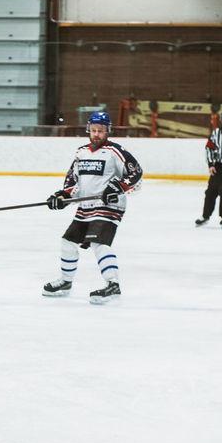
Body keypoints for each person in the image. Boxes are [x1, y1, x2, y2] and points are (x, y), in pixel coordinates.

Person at [42, 111, 143, 304]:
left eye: (101, 131)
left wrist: (118, 187)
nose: (97, 134)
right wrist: (62, 196)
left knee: (99, 243)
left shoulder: (115, 151)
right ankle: (66, 282)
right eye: (94, 130)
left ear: (108, 131)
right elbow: (73, 181)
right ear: (89, 129)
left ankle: (113, 284)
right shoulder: (81, 152)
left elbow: (135, 173)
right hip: (85, 207)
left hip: (109, 206)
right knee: (67, 242)